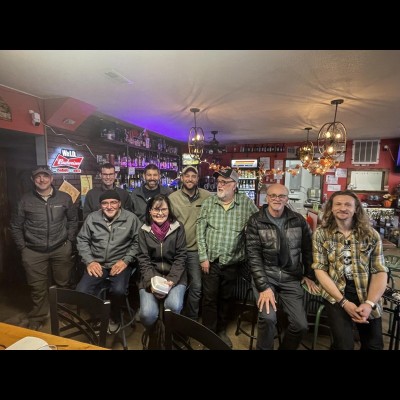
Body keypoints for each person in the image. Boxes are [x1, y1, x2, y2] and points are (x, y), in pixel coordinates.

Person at [312, 189, 388, 350]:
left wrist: (369, 303)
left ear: (356, 209)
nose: (343, 208)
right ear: (331, 208)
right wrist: (344, 302)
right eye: (338, 204)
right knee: (344, 346)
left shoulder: (370, 234)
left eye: (348, 204)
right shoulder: (321, 234)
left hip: (367, 293)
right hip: (336, 294)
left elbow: (380, 271)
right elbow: (320, 270)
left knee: (374, 346)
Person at [246, 183, 319, 350]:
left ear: (287, 199)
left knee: (301, 325)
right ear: (267, 198)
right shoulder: (256, 220)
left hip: (291, 277)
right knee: (268, 318)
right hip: (266, 276)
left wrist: (309, 274)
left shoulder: (298, 220)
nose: (277, 199)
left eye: (281, 196)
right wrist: (263, 286)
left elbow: (308, 249)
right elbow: (253, 256)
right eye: (273, 195)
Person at [10, 165, 79, 330]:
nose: (42, 179)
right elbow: (15, 226)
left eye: (45, 176)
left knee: (64, 283)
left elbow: (72, 220)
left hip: (60, 247)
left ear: (51, 178)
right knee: (37, 286)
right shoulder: (25, 200)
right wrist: (23, 248)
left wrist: (69, 241)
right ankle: (38, 316)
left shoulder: (64, 197)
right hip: (33, 251)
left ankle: (64, 313)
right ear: (33, 180)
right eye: (38, 177)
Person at [196, 167, 259, 347]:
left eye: (225, 182)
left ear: (235, 186)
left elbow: (259, 220)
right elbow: (200, 230)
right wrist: (203, 257)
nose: (220, 185)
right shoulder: (209, 202)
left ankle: (221, 330)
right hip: (211, 261)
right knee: (209, 297)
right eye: (219, 182)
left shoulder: (245, 203)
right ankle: (208, 332)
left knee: (225, 298)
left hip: (233, 262)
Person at [76, 190, 141, 333]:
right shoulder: (92, 218)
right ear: (100, 205)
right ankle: (99, 317)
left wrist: (125, 261)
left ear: (119, 204)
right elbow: (82, 240)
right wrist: (90, 261)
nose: (109, 206)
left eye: (113, 202)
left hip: (120, 263)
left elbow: (138, 242)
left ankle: (115, 318)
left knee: (118, 291)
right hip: (97, 263)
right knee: (82, 291)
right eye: (105, 203)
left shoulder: (131, 218)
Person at [137, 194, 187, 341]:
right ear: (150, 211)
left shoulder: (178, 227)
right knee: (147, 314)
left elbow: (181, 256)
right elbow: (143, 258)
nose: (160, 213)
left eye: (163, 209)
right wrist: (153, 282)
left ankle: (169, 333)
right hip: (151, 275)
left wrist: (171, 280)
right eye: (156, 209)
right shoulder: (143, 229)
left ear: (169, 210)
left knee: (173, 306)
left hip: (175, 275)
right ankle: (154, 332)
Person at [169, 165, 211, 320]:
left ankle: (191, 319)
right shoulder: (172, 198)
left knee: (197, 287)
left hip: (196, 250)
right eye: (187, 176)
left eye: (193, 176)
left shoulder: (207, 196)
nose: (190, 179)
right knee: (174, 284)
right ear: (182, 178)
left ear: (197, 179)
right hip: (176, 250)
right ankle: (175, 318)